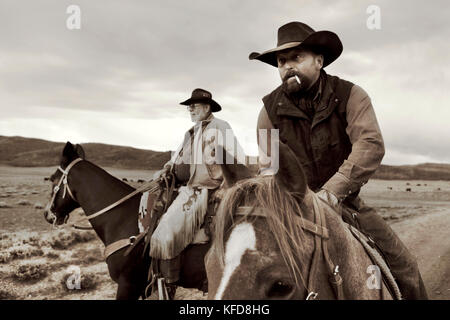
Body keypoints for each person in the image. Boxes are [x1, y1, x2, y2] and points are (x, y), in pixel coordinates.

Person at [250, 21, 427, 299]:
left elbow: (369, 145)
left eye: (297, 57)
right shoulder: (268, 111)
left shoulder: (350, 96)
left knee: (406, 270)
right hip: (292, 211)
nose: (288, 66)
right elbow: (269, 166)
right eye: (282, 61)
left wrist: (331, 194)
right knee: (247, 271)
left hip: (346, 204)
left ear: (319, 60)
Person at [148, 88, 245, 284]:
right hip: (187, 187)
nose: (190, 109)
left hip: (206, 189)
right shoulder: (190, 132)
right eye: (188, 106)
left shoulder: (220, 127)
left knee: (166, 232)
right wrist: (167, 168)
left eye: (194, 105)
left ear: (207, 107)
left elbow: (236, 158)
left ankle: (169, 281)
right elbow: (177, 157)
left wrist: (225, 187)